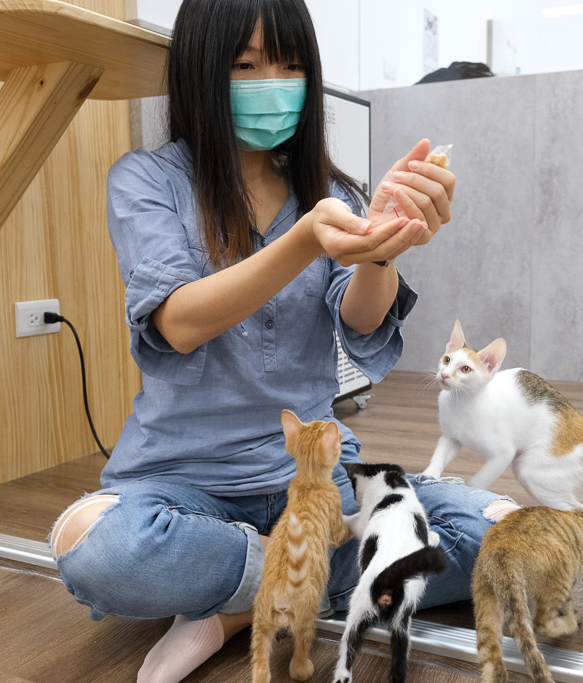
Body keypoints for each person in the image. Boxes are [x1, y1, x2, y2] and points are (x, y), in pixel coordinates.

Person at [50, 1, 519, 681]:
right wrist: (305, 241)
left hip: (318, 483)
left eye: (291, 64)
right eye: (247, 65)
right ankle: (320, 572)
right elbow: (179, 320)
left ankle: (240, 604)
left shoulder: (328, 191)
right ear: (202, 74)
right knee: (95, 549)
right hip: (186, 487)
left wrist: (379, 250)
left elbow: (360, 324)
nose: (274, 81)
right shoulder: (147, 181)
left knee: (510, 542)